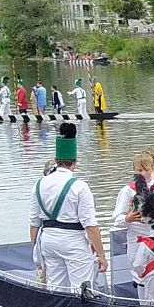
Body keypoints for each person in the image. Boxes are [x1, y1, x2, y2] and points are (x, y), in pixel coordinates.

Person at [27, 122, 106, 292]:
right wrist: (101, 255)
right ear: (75, 162)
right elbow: (90, 225)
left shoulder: (38, 184)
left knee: (56, 290)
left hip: (48, 241)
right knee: (82, 291)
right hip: (73, 242)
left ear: (56, 161)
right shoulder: (80, 187)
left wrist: (37, 251)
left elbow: (34, 224)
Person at [112, 151, 154, 306]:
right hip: (137, 239)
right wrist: (127, 219)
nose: (143, 173)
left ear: (152, 169)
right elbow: (116, 218)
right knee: (140, 274)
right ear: (134, 171)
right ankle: (144, 306)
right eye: (139, 170)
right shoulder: (128, 191)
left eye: (146, 170)